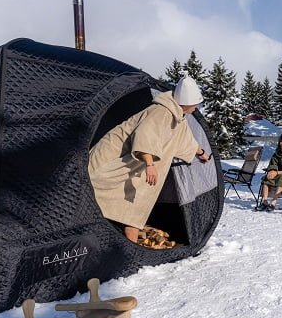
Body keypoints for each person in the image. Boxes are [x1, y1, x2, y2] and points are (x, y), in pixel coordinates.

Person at [87, 76, 209, 242]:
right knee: (102, 192)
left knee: (136, 201)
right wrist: (150, 165)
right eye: (194, 105)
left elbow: (185, 139)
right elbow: (145, 137)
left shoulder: (177, 116)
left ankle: (130, 239)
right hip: (113, 160)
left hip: (136, 164)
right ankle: (123, 240)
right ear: (186, 103)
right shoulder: (161, 112)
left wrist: (201, 153)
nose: (195, 109)